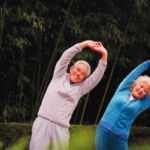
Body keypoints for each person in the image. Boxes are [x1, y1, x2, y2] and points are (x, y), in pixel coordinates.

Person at [30, 40, 108, 150]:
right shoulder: (59, 75)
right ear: (71, 68)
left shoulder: (81, 88)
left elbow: (97, 76)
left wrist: (104, 55)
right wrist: (84, 44)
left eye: (82, 74)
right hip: (42, 122)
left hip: (61, 129)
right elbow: (65, 57)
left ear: (84, 79)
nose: (78, 74)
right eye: (78, 70)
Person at [95, 60, 150, 150]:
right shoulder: (122, 90)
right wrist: (147, 63)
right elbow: (133, 74)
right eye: (141, 86)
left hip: (119, 137)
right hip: (102, 132)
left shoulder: (141, 104)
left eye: (145, 91)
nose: (142, 90)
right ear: (135, 84)